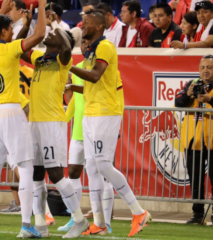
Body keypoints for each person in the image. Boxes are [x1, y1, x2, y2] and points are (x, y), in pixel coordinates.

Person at [68, 9, 151, 237]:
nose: (81, 26)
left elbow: (95, 75)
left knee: (103, 165)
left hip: (106, 112)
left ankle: (138, 212)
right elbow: (92, 86)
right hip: (92, 112)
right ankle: (99, 223)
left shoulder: (105, 47)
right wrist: (70, 87)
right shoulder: (91, 51)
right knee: (92, 168)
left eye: (85, 23)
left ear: (97, 26)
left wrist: (67, 66)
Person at [0, 0, 47, 237]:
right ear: (5, 32)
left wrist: (2, 13)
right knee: (25, 168)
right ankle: (26, 226)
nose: (12, 31)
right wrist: (42, 5)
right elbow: (40, 34)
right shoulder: (11, 48)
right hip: (10, 111)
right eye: (10, 28)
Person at [19, 26, 90, 238]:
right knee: (36, 175)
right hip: (35, 121)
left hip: (52, 122)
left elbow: (68, 45)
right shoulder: (40, 57)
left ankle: (79, 220)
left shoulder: (63, 60)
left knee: (56, 174)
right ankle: (40, 225)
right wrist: (25, 24)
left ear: (61, 42)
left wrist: (54, 27)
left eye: (53, 35)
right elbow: (19, 47)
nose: (48, 35)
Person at [58, 38, 125, 234]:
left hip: (100, 124)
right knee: (74, 174)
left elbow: (117, 97)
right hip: (80, 129)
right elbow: (75, 100)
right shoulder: (78, 68)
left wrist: (115, 125)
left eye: (89, 43)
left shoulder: (107, 70)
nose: (86, 46)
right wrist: (63, 119)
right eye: (84, 43)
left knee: (102, 173)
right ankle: (75, 218)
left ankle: (105, 220)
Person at [175, 55, 213, 226]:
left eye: (209, 67)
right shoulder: (191, 84)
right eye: (202, 67)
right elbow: (178, 102)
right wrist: (188, 94)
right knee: (195, 178)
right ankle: (198, 214)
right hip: (193, 140)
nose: (205, 71)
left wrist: (211, 100)